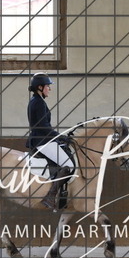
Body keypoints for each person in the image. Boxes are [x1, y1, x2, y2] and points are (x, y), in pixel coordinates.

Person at [26, 72, 74, 210]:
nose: (49, 89)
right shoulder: (39, 103)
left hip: (41, 139)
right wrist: (60, 136)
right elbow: (44, 127)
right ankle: (50, 196)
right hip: (42, 141)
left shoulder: (36, 101)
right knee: (69, 165)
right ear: (40, 87)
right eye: (47, 86)